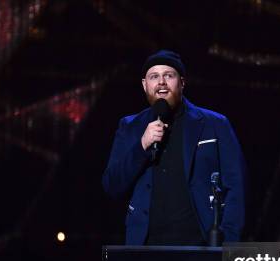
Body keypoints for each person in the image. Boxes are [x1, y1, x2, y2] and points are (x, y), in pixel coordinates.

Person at [102, 50, 247, 245]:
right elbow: (112, 185)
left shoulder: (215, 124)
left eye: (168, 75)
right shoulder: (130, 127)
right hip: (146, 248)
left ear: (182, 82)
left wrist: (227, 242)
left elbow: (236, 186)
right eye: (154, 77)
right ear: (145, 85)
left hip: (201, 246)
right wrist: (142, 146)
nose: (161, 82)